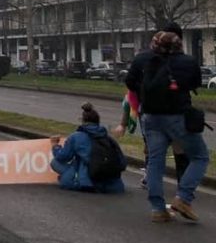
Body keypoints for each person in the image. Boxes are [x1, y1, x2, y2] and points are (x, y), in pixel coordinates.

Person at [134, 30, 210, 222]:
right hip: (176, 116)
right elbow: (195, 83)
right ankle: (183, 197)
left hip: (150, 117)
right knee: (200, 156)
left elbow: (134, 82)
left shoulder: (149, 61)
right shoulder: (187, 62)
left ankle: (158, 209)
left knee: (155, 162)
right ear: (179, 45)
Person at [124, 23, 190, 186]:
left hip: (149, 110)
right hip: (177, 110)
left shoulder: (143, 57)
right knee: (180, 149)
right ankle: (183, 185)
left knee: (153, 149)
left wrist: (143, 93)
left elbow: (130, 81)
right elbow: (191, 82)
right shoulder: (182, 60)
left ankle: (152, 183)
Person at [50, 103, 126, 194]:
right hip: (113, 185)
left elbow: (62, 157)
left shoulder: (76, 137)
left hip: (88, 182)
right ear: (98, 122)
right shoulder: (109, 139)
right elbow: (123, 163)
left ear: (83, 121)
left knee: (55, 162)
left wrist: (55, 146)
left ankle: (72, 180)